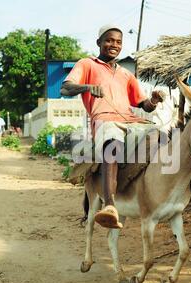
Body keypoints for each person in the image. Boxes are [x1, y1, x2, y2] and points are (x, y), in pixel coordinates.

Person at [61, 24, 165, 229]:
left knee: (166, 139)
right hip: (105, 121)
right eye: (109, 40)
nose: (113, 45)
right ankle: (109, 205)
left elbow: (144, 105)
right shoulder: (87, 64)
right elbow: (65, 88)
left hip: (132, 121)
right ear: (99, 42)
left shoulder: (126, 74)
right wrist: (88, 87)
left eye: (118, 42)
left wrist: (153, 100)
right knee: (113, 142)